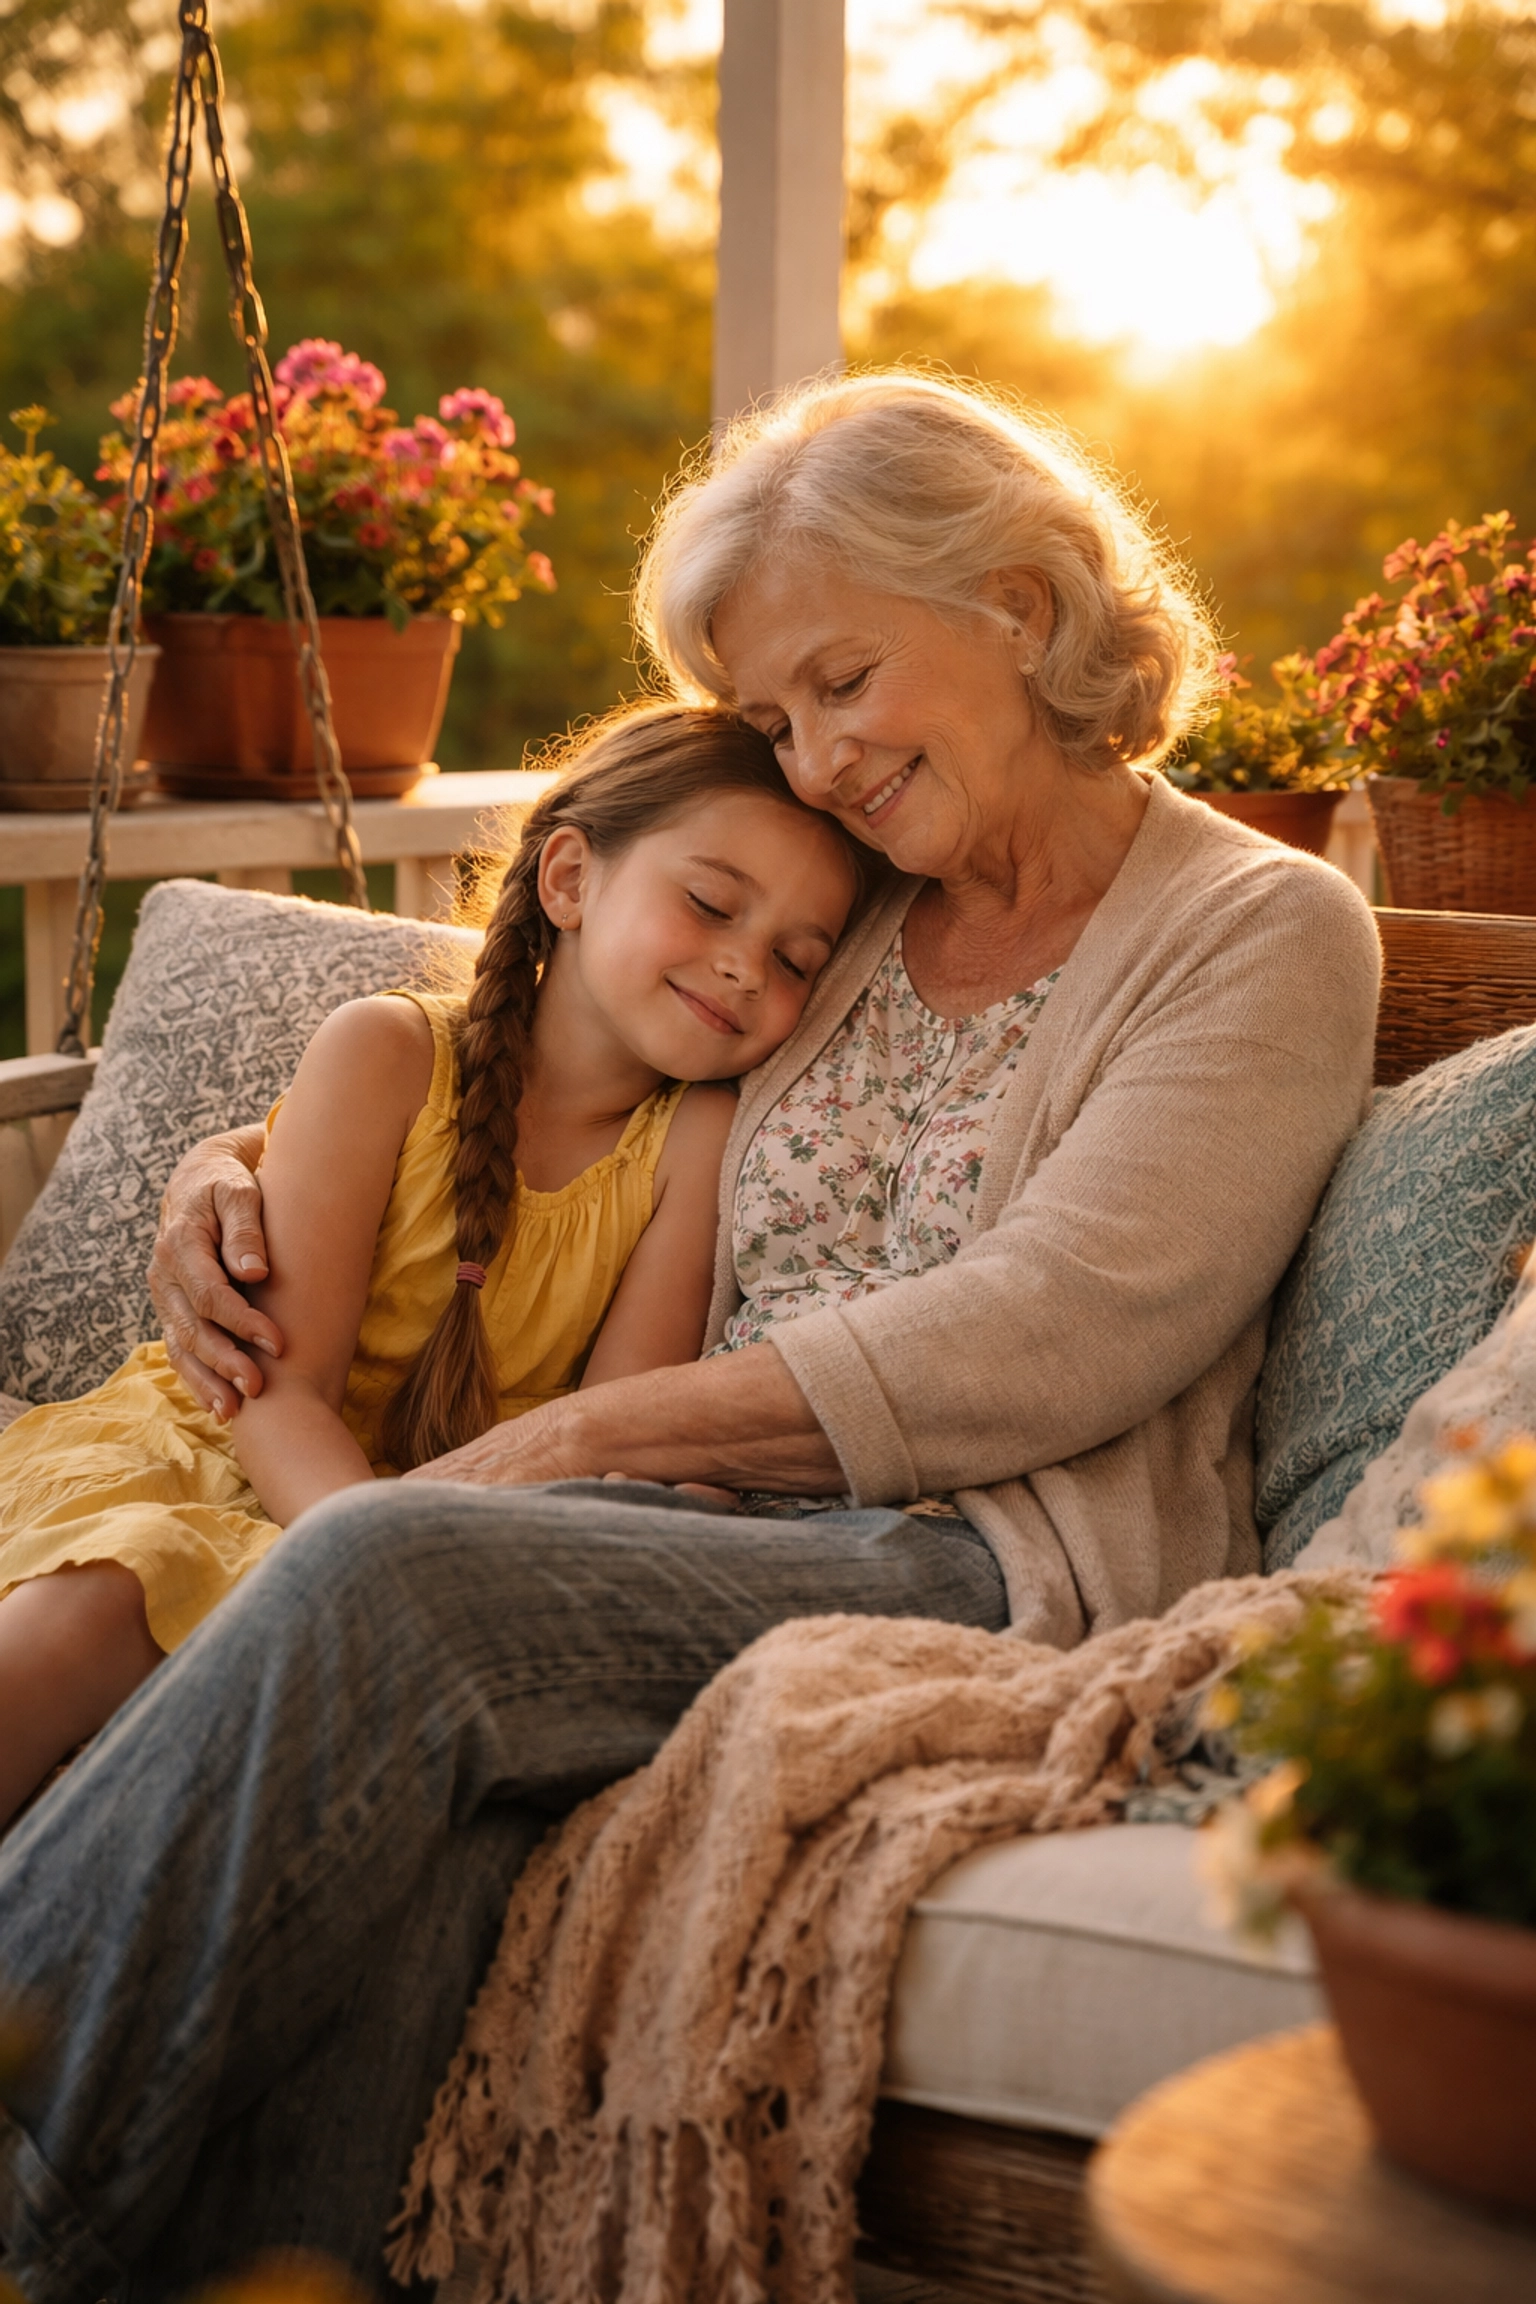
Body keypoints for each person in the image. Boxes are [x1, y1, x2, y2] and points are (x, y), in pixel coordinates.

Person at [0, 372, 1380, 2299]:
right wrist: (226, 1170)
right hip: (699, 1530)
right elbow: (546, 1013)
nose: (811, 763)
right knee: (448, 1841)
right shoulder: (866, 891)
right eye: (778, 716)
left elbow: (1059, 1322)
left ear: (1018, 605)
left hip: (972, 1552)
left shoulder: (1262, 928)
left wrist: (569, 1443)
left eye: (837, 681)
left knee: (394, 1564)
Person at [0, 705, 864, 1828]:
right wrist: (361, 1572)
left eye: (799, 959)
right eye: (709, 902)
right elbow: (276, 1391)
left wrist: (410, 1571)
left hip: (453, 1527)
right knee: (82, 1621)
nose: (747, 966)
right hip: (237, 1455)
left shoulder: (698, 1139)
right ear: (569, 877)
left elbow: (613, 1435)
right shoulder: (387, 1051)